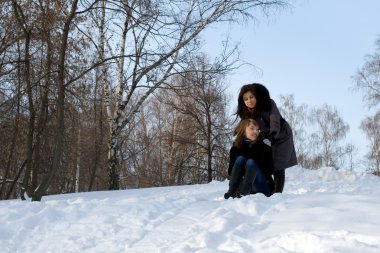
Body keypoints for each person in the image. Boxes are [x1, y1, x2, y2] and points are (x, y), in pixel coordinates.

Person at [235, 83, 297, 193]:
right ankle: (268, 191)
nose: (249, 101)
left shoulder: (269, 104)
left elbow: (275, 123)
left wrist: (272, 137)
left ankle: (277, 194)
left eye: (251, 97)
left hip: (281, 135)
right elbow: (245, 129)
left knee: (278, 165)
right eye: (246, 99)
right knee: (262, 162)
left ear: (257, 96)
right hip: (265, 136)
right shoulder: (246, 113)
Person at [224, 119, 274, 199]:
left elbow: (270, 170)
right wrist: (244, 173)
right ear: (243, 130)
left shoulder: (264, 146)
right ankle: (231, 191)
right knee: (240, 159)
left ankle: (244, 192)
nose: (256, 131)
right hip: (242, 185)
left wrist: (253, 168)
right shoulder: (235, 148)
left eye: (257, 129)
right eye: (252, 128)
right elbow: (231, 171)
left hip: (261, 187)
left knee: (251, 162)